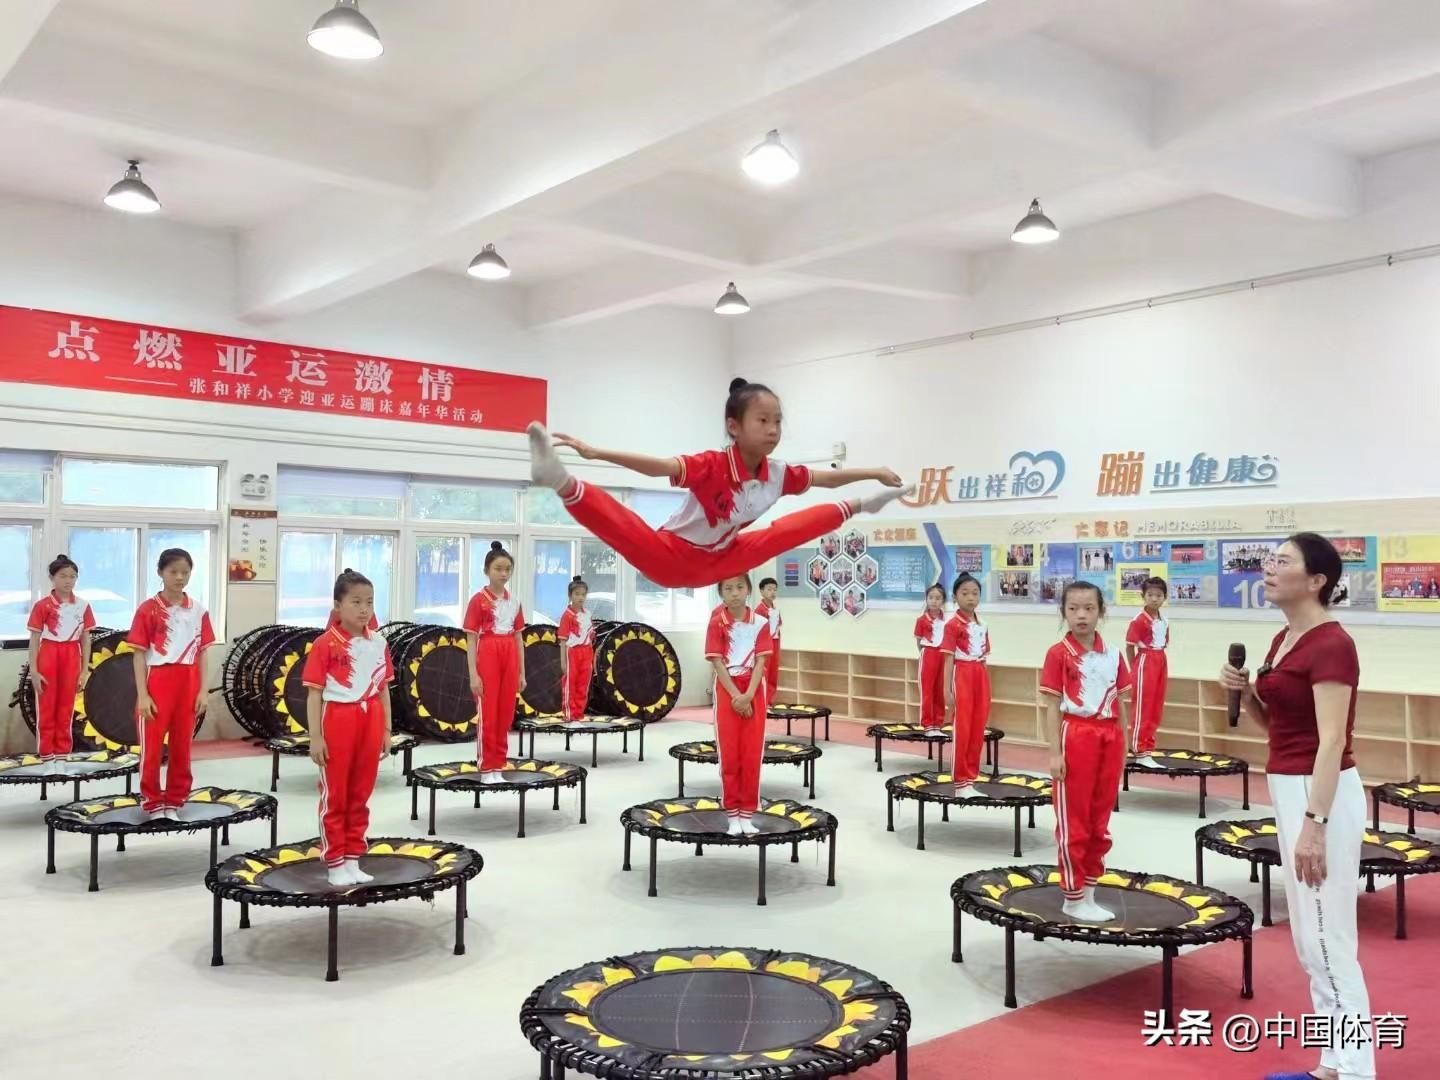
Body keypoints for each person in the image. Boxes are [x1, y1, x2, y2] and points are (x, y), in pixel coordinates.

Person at [1220, 534, 1374, 1080]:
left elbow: (1331, 741)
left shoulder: (1332, 644)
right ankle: (1333, 1063)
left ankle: (1356, 1070)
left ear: (1316, 581)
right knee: (1311, 939)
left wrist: (1316, 824)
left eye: (1283, 561)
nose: (1269, 568)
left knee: (1329, 937)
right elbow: (1280, 728)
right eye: (1270, 559)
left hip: (1321, 792)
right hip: (1290, 786)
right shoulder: (1283, 638)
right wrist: (1249, 695)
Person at [525, 378, 911, 588]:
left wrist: (874, 471)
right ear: (734, 426)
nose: (773, 430)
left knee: (780, 535)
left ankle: (864, 505)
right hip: (672, 558)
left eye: (778, 421)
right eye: (763, 421)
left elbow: (827, 479)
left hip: (724, 558)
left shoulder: (777, 474)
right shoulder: (712, 465)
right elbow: (659, 467)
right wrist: (596, 453)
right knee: (628, 528)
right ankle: (561, 481)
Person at [1040, 580, 1132, 922]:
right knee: (1074, 821)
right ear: (1063, 612)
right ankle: (1073, 896)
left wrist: (1124, 747)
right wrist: (1055, 753)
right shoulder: (1058, 654)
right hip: (1076, 734)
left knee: (1099, 821)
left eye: (1089, 608)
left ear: (1101, 612)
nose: (1081, 615)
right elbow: (1052, 707)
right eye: (1073, 608)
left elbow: (1121, 704)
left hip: (1109, 736)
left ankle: (1090, 893)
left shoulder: (1113, 654)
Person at [303, 569, 393, 887]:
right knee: (336, 794)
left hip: (371, 716)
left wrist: (387, 729)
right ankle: (335, 860)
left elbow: (383, 688)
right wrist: (315, 737)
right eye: (356, 602)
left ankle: (354, 856)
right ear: (338, 606)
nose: (364, 609)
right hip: (338, 717)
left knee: (361, 792)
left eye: (369, 602)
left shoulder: (379, 642)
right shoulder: (325, 644)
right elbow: (314, 694)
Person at [127, 548, 217, 819]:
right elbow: (138, 655)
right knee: (152, 747)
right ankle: (153, 802)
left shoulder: (198, 610)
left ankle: (175, 800)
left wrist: (203, 691)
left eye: (185, 572)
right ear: (160, 573)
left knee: (182, 746)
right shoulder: (148, 609)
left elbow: (203, 653)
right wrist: (143, 695)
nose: (179, 577)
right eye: (173, 572)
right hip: (158, 680)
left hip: (188, 681)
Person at [705, 572, 773, 835]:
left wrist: (748, 696)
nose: (734, 593)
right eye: (728, 588)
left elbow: (761, 662)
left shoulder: (761, 622)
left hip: (754, 689)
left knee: (752, 753)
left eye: (739, 587)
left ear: (748, 590)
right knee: (730, 753)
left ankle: (747, 813)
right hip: (727, 688)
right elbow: (717, 662)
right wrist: (736, 696)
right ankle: (732, 813)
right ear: (721, 593)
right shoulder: (717, 623)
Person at [464, 541, 526, 783]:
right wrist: (473, 674)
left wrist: (521, 672)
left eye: (507, 569)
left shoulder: (515, 602)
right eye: (498, 569)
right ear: (487, 570)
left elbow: (519, 638)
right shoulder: (478, 600)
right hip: (488, 651)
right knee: (488, 712)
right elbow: (471, 640)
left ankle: (499, 764)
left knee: (505, 713)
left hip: (510, 652)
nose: (503, 574)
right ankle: (486, 767)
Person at [26, 554, 95, 759]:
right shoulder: (42, 606)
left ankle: (63, 755)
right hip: (49, 652)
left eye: (72, 576)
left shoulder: (83, 606)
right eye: (63, 576)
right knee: (47, 707)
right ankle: (47, 755)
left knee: (66, 707)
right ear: (52, 578)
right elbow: (34, 640)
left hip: (72, 654)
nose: (68, 581)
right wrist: (34, 671)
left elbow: (86, 639)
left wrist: (84, 670)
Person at [942, 573, 992, 787]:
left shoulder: (983, 624)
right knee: (962, 726)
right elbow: (948, 659)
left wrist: (985, 685)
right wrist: (947, 691)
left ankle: (972, 774)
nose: (971, 598)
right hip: (961, 672)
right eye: (965, 593)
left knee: (978, 725)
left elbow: (984, 656)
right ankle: (960, 778)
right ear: (955, 597)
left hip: (980, 673)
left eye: (975, 593)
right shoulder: (952, 625)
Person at [1125, 576, 1169, 769]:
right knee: (1143, 707)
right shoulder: (1139, 620)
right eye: (1150, 595)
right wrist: (1133, 669)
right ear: (1143, 596)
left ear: (1164, 597)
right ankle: (1139, 749)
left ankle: (1149, 749)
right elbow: (1129, 646)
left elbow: (1164, 643)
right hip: (1145, 660)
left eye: (1158, 595)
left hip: (1160, 659)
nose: (1154, 599)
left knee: (1156, 707)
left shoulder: (1164, 620)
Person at [557, 575, 595, 721]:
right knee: (570, 684)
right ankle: (569, 713)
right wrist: (563, 662)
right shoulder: (567, 616)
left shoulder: (588, 614)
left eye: (583, 594)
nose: (580, 597)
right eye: (577, 594)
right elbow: (563, 640)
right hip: (572, 652)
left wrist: (592, 658)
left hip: (587, 651)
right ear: (570, 595)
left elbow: (590, 636)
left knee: (583, 684)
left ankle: (579, 713)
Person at [913, 583, 948, 730]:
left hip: (943, 655)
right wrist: (924, 654)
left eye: (938, 598)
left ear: (943, 601)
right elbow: (918, 642)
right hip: (928, 653)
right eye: (931, 597)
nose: (934, 601)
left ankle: (938, 721)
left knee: (940, 689)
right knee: (927, 689)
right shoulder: (921, 620)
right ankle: (927, 722)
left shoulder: (946, 620)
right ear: (927, 599)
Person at [753, 577, 782, 702]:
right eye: (769, 589)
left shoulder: (775, 609)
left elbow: (778, 625)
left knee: (773, 672)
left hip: (775, 643)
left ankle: (770, 700)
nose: (772, 592)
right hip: (764, 645)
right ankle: (762, 700)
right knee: (764, 672)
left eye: (775, 590)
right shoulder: (759, 610)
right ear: (761, 591)